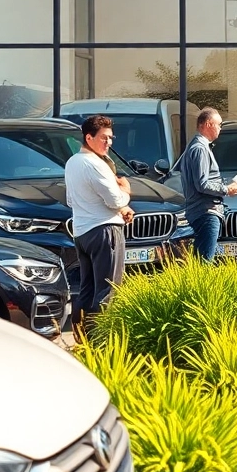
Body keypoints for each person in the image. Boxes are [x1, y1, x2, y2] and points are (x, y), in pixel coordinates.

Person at [65, 114, 133, 334]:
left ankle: (81, 337)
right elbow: (115, 199)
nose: (109, 142)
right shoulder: (95, 164)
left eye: (111, 138)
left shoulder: (72, 162)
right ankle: (101, 342)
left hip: (82, 233)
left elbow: (70, 200)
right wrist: (126, 192)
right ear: (89, 137)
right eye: (104, 137)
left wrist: (119, 207)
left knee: (87, 290)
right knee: (108, 291)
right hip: (105, 232)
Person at [181, 107, 237, 261]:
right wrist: (226, 189)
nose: (220, 128)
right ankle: (198, 286)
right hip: (206, 212)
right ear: (209, 124)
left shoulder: (197, 146)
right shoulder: (200, 149)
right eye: (219, 124)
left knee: (201, 260)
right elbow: (202, 184)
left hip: (204, 211)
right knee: (204, 262)